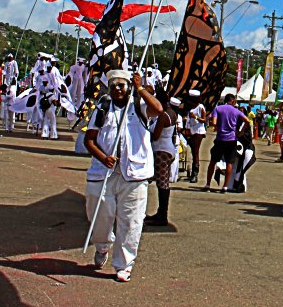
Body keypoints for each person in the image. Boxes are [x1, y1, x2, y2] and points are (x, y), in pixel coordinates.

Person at [83, 69, 163, 282]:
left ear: (128, 87)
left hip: (134, 175)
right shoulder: (103, 108)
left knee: (131, 222)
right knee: (99, 215)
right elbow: (89, 140)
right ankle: (102, 246)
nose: (118, 89)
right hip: (104, 173)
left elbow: (159, 109)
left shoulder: (139, 106)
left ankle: (124, 265)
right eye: (114, 86)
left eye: (122, 85)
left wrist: (140, 88)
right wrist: (103, 157)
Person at [203, 94, 248, 193]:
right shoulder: (236, 111)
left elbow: (214, 122)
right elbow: (247, 121)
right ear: (232, 101)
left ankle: (208, 184)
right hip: (232, 139)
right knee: (229, 163)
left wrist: (218, 125)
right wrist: (240, 132)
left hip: (220, 138)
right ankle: (225, 186)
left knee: (213, 161)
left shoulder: (218, 109)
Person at [146, 93, 179, 226]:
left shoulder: (164, 115)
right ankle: (161, 213)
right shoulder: (171, 113)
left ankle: (162, 215)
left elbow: (156, 135)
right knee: (162, 181)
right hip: (166, 148)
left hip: (161, 150)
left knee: (162, 183)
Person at [183, 90, 207, 183]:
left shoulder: (200, 107)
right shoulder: (191, 107)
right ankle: (193, 172)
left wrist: (195, 117)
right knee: (193, 152)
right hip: (192, 130)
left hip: (198, 131)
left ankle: (195, 174)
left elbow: (204, 120)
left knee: (195, 152)